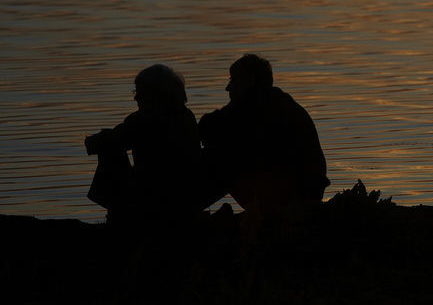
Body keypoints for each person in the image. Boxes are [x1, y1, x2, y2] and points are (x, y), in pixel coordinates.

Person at [199, 53, 329, 217]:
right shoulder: (277, 102)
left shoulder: (254, 107)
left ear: (249, 81)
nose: (228, 88)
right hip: (306, 192)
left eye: (233, 80)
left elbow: (208, 127)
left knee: (219, 157)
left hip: (292, 195)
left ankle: (181, 209)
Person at [85, 63, 206, 224]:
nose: (135, 97)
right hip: (188, 194)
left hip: (154, 196)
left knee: (109, 147)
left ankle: (119, 213)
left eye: (139, 92)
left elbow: (102, 142)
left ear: (154, 93)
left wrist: (94, 139)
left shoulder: (144, 119)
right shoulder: (186, 115)